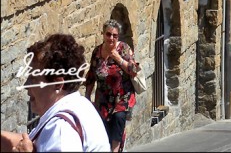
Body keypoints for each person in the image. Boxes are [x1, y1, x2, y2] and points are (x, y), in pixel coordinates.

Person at [1, 33, 109, 151]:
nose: (26, 85)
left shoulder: (62, 132)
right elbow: (31, 144)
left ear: (57, 84)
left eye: (33, 78)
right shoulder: (79, 104)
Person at [84, 20, 139, 152]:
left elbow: (134, 70)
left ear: (118, 36)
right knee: (104, 131)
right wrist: (87, 97)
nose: (111, 38)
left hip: (122, 97)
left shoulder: (124, 49)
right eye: (108, 34)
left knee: (118, 120)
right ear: (103, 34)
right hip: (102, 99)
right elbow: (91, 75)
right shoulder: (97, 52)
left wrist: (118, 58)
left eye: (115, 35)